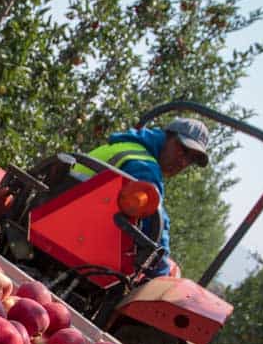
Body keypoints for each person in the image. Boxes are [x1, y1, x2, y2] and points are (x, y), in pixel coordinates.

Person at [81, 118, 210, 278]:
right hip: (82, 245)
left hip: (58, 218)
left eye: (192, 160)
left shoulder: (123, 147)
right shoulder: (144, 168)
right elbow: (154, 226)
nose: (183, 162)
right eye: (182, 149)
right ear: (168, 137)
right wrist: (161, 273)